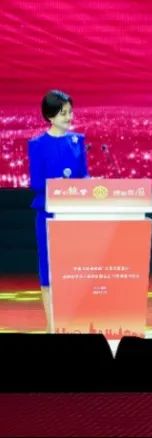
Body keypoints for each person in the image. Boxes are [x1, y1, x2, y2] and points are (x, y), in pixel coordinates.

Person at [27, 90, 89, 332]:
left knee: (74, 270)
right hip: (48, 214)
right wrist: (59, 185)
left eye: (70, 112)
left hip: (75, 214)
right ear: (50, 116)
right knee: (49, 271)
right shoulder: (37, 145)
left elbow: (84, 176)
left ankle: (73, 325)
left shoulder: (78, 141)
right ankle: (52, 327)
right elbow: (36, 182)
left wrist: (88, 185)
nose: (69, 117)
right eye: (63, 113)